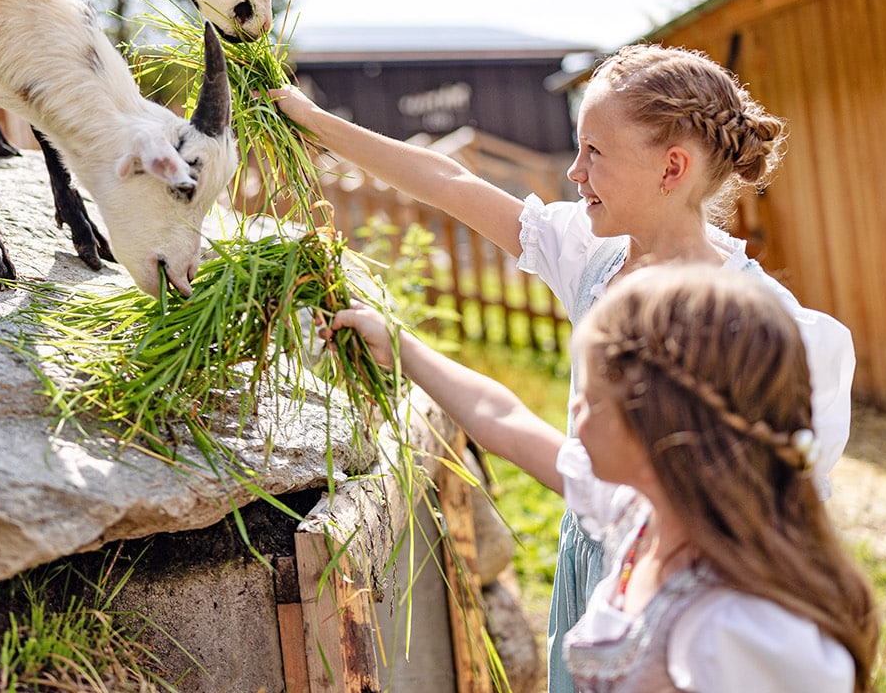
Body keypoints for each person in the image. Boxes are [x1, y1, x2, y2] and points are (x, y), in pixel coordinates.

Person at [272, 43, 855, 692]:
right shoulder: (593, 254)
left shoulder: (747, 326)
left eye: (595, 152)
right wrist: (310, 120)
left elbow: (783, 504)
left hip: (679, 583)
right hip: (600, 567)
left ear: (672, 168)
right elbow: (449, 183)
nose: (574, 172)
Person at [326, 265, 877, 693]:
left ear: (655, 421)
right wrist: (398, 347)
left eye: (588, 401)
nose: (575, 419)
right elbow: (506, 421)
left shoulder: (740, 626)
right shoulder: (639, 511)